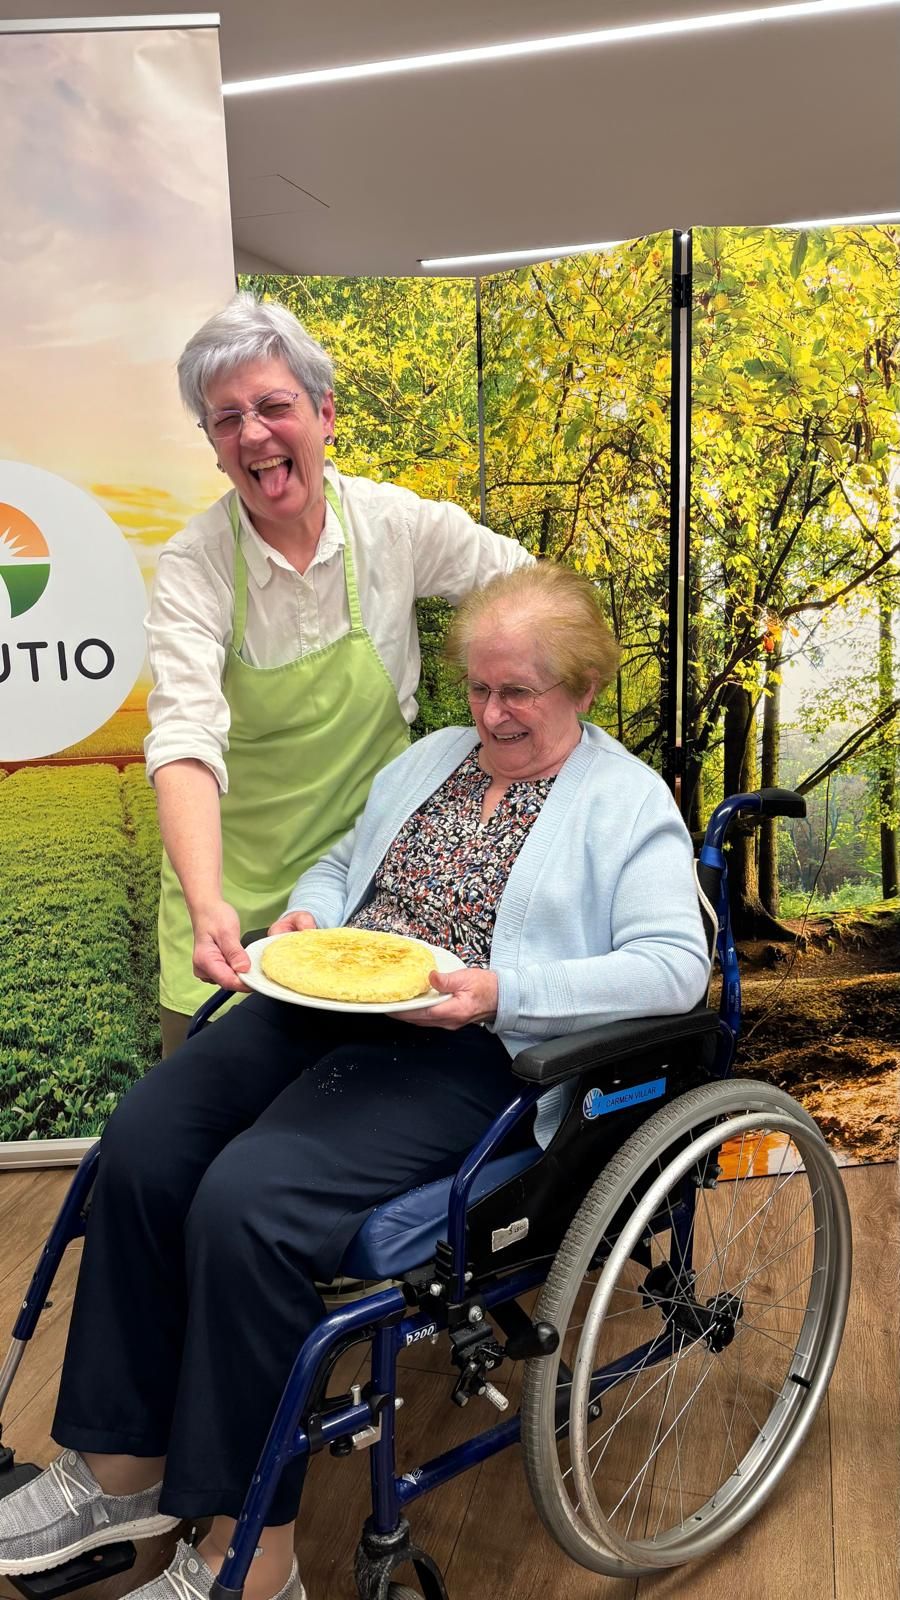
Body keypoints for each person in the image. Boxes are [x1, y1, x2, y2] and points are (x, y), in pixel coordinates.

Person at [0, 565, 710, 1600]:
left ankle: (254, 1557)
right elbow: (344, 864)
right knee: (146, 1137)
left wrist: (497, 991)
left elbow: (672, 966)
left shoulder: (624, 800)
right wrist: (308, 913)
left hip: (470, 1047)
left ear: (584, 686)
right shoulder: (430, 761)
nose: (491, 713)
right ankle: (125, 1466)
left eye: (519, 692)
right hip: (329, 999)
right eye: (478, 687)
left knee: (251, 1202)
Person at [146, 291, 532, 1055]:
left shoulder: (396, 527)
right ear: (214, 444)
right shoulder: (197, 565)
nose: (253, 433)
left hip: (371, 898)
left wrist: (504, 703)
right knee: (193, 1119)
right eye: (227, 419)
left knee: (340, 1132)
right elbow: (184, 738)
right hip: (229, 908)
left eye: (272, 405)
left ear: (324, 413)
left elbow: (530, 589)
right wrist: (206, 903)